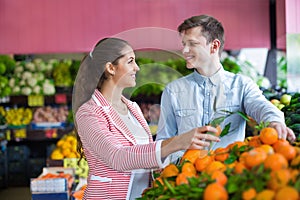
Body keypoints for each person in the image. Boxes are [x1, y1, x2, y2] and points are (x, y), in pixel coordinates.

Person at [72, 37, 220, 199]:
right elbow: (117, 157)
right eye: (130, 61)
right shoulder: (89, 113)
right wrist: (177, 142)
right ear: (110, 68)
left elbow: (143, 156)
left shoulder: (133, 108)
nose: (137, 68)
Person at [156, 15, 296, 162]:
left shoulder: (241, 85)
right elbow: (164, 142)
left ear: (214, 46)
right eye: (184, 44)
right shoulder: (173, 90)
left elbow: (261, 106)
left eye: (192, 44)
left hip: (227, 176)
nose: (184, 50)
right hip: (184, 178)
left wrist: (274, 121)